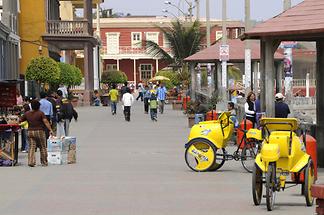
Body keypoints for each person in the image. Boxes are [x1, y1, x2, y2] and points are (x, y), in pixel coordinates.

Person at [19, 100, 53, 167]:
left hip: (30, 132)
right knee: (42, 146)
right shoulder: (41, 113)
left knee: (31, 147)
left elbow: (20, 120)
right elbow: (45, 121)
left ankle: (31, 161)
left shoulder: (27, 113)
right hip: (40, 131)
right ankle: (44, 162)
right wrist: (50, 129)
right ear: (38, 106)